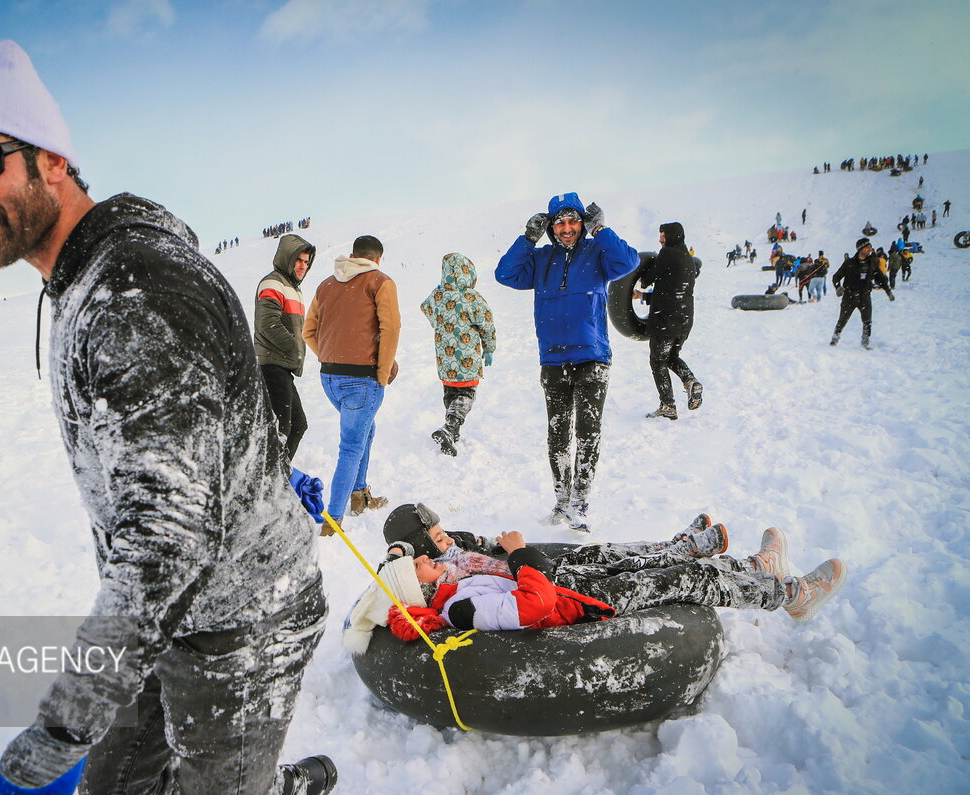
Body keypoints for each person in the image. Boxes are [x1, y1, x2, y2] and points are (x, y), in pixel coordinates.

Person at [0, 41, 334, 795]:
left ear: (52, 160)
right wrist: (266, 481)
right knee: (116, 787)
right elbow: (222, 405)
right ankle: (259, 788)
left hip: (243, 621)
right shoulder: (86, 276)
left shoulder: (132, 290)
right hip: (177, 610)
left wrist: (58, 734)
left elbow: (165, 540)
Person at [342, 503, 847, 654]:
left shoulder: (456, 569)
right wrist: (520, 557)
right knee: (682, 579)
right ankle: (787, 595)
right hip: (565, 596)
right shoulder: (454, 600)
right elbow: (528, 602)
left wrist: (511, 553)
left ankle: (757, 571)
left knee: (645, 563)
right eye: (431, 543)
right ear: (421, 569)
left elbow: (470, 546)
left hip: (564, 579)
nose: (443, 541)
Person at [494, 193, 639, 532]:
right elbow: (505, 274)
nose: (566, 228)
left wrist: (601, 229)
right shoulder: (541, 258)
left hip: (593, 358)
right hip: (554, 360)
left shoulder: (598, 253)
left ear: (582, 224)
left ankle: (580, 504)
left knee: (588, 433)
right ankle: (561, 501)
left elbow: (628, 262)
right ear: (551, 227)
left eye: (573, 220)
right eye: (559, 222)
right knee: (557, 436)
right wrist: (528, 238)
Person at [302, 235, 400, 534]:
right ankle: (332, 520)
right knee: (351, 446)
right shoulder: (380, 281)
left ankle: (360, 494)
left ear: (353, 255)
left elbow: (309, 332)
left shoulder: (326, 285)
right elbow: (391, 328)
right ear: (377, 258)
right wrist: (382, 372)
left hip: (330, 377)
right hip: (363, 379)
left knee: (365, 431)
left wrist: (332, 360)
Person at [420, 252, 497, 457]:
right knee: (466, 394)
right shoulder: (472, 297)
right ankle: (450, 428)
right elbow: (486, 323)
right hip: (467, 357)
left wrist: (439, 323)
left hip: (445, 358)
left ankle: (452, 433)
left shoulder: (437, 295)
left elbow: (425, 307)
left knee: (451, 393)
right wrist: (489, 347)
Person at [254, 233, 316, 460]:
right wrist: (293, 347)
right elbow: (267, 323)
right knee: (282, 429)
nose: (303, 266)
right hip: (271, 365)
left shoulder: (293, 289)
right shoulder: (273, 283)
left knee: (298, 425)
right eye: (299, 260)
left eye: (306, 262)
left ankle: (279, 475)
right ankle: (271, 480)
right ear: (287, 258)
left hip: (283, 366)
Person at [644, 223, 702, 420]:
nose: (660, 239)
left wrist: (643, 272)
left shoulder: (667, 253)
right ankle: (690, 380)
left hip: (666, 320)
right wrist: (643, 297)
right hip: (684, 319)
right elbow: (671, 289)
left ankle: (668, 405)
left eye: (663, 235)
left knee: (658, 361)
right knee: (670, 357)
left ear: (671, 236)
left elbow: (647, 278)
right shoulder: (686, 257)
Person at [830, 238, 893, 348]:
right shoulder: (849, 263)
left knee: (867, 321)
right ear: (860, 249)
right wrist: (838, 288)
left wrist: (888, 291)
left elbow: (880, 278)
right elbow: (836, 277)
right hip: (849, 296)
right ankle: (835, 338)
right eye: (867, 247)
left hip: (864, 296)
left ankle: (865, 342)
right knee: (842, 319)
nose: (870, 249)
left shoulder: (872, 263)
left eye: (870, 247)